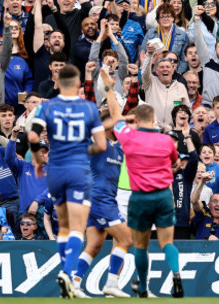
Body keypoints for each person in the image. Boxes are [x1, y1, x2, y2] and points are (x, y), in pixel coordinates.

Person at [29, 64, 107, 299]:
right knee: (77, 226)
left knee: (63, 225)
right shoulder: (89, 108)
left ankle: (66, 273)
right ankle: (67, 272)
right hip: (78, 170)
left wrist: (37, 159)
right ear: (76, 85)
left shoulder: (48, 106)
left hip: (55, 170)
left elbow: (33, 135)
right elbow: (102, 145)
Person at [102, 75, 183, 298]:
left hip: (133, 193)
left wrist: (109, 87)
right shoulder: (166, 139)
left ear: (135, 121)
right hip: (156, 194)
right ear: (153, 120)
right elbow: (176, 161)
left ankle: (126, 283)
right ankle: (123, 284)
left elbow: (116, 115)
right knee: (149, 242)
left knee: (132, 242)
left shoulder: (128, 136)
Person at [71, 105, 133, 298]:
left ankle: (74, 284)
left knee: (94, 245)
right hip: (99, 198)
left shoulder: (119, 147)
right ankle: (112, 283)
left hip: (101, 200)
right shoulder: (96, 144)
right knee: (126, 239)